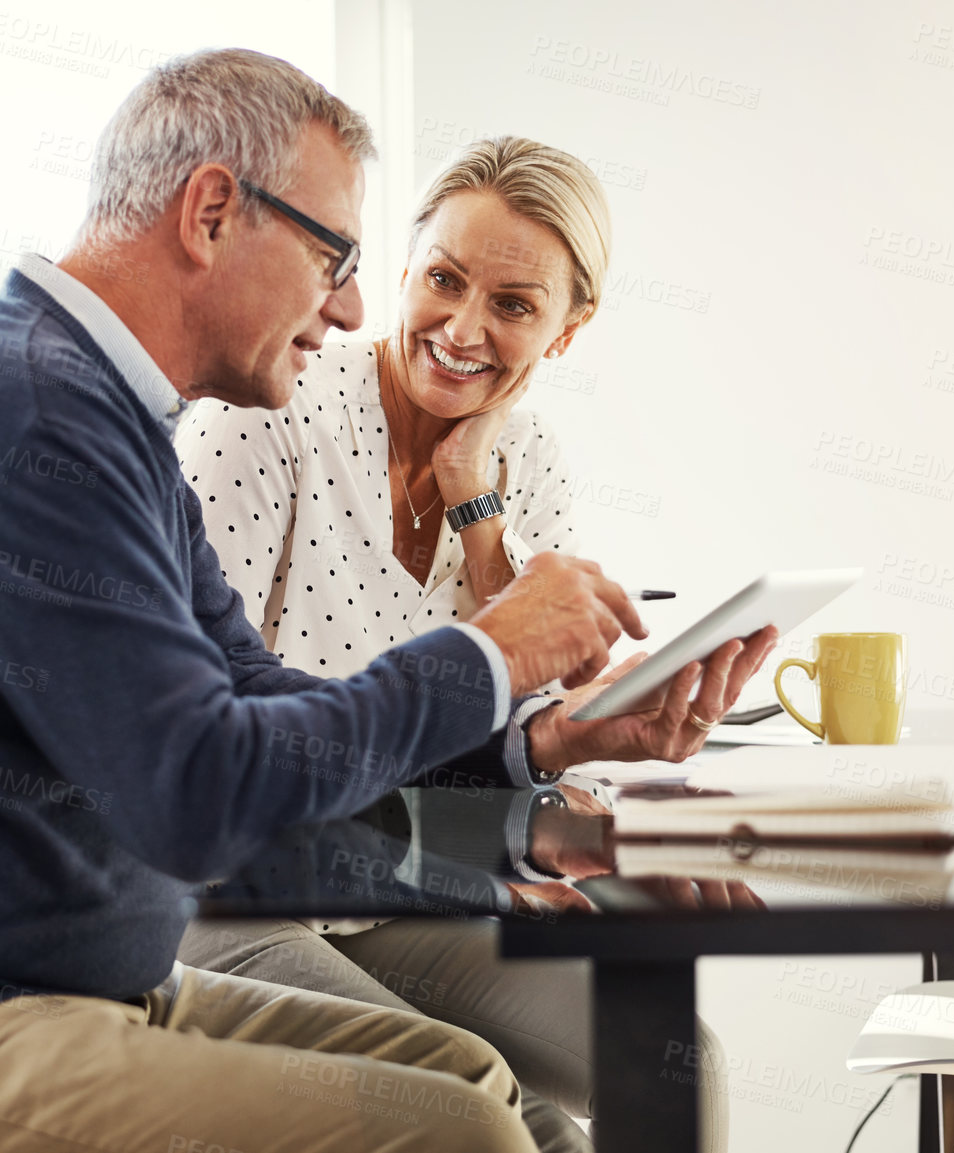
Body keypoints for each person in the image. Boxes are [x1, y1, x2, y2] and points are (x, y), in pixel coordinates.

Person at [0, 48, 771, 1153]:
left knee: (467, 1071)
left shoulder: (106, 421)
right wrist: (487, 655)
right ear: (211, 213)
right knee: (460, 1129)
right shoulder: (22, 413)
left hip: (56, 989)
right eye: (332, 255)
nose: (343, 308)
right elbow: (202, 799)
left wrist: (539, 761)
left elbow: (251, 702)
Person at [175, 137, 771, 1152]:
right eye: (443, 281)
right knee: (496, 1114)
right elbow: (207, 755)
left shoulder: (525, 459)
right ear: (401, 272)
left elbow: (524, 732)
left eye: (512, 304)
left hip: (403, 890)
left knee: (678, 1057)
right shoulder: (266, 419)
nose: (461, 329)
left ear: (568, 331)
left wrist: (480, 513)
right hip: (236, 892)